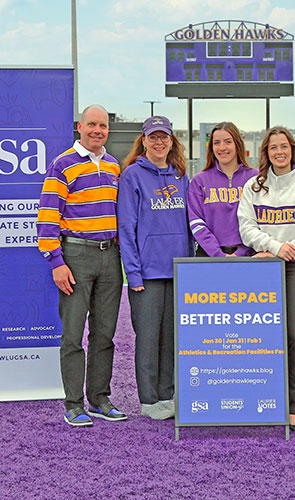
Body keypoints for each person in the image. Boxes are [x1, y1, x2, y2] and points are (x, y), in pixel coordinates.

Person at [37, 104, 126, 427]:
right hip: (75, 256)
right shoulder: (62, 165)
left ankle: (100, 398)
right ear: (79, 126)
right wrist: (56, 263)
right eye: (92, 125)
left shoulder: (115, 166)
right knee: (73, 335)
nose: (97, 131)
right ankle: (74, 404)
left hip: (110, 257)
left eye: (102, 126)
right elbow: (47, 219)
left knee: (105, 334)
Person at [238, 126, 295, 432]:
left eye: (284, 147)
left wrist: (292, 249)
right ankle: (259, 402)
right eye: (273, 147)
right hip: (264, 265)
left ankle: (293, 408)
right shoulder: (253, 186)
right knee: (261, 339)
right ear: (266, 153)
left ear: (293, 150)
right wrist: (276, 247)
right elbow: (246, 227)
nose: (279, 152)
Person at [118, 116, 193, 420]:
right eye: (153, 137)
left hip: (177, 271)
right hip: (146, 275)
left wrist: (190, 267)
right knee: (148, 338)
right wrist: (133, 273)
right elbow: (126, 226)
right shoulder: (132, 175)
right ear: (144, 140)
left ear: (172, 141)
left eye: (164, 137)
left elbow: (190, 225)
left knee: (171, 337)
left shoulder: (180, 175)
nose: (159, 142)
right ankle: (149, 400)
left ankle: (167, 395)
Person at [187, 122, 256, 257]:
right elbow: (196, 222)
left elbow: (261, 219)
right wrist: (218, 254)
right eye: (216, 143)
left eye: (228, 142)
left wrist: (242, 252)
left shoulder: (255, 178)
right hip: (209, 254)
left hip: (249, 254)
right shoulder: (199, 181)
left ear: (237, 144)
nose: (222, 147)